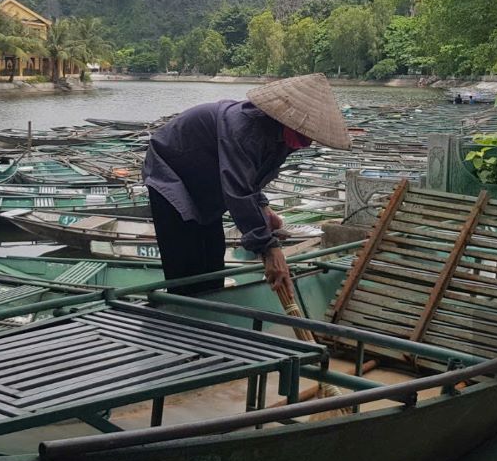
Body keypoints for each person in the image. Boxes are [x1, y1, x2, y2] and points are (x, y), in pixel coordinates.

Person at [142, 73, 351, 297]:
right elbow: (238, 189)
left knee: (212, 255)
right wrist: (269, 249)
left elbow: (251, 179)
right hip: (171, 176)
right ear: (286, 116)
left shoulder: (281, 139)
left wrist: (264, 210)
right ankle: (179, 316)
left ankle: (209, 312)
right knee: (185, 261)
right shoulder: (245, 128)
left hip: (206, 185)